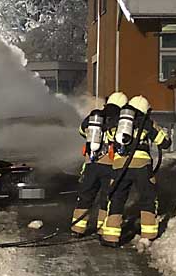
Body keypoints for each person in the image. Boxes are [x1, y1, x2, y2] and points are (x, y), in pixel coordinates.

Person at [100, 95, 169, 246]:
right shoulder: (146, 122)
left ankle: (111, 236)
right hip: (142, 166)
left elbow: (109, 139)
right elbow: (164, 143)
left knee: (117, 198)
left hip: (120, 165)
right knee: (148, 198)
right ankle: (149, 234)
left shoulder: (117, 121)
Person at [70, 91, 128, 235]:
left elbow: (82, 131)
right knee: (106, 198)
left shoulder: (95, 116)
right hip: (111, 165)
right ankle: (102, 229)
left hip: (92, 163)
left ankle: (77, 228)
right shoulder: (121, 119)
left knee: (85, 195)